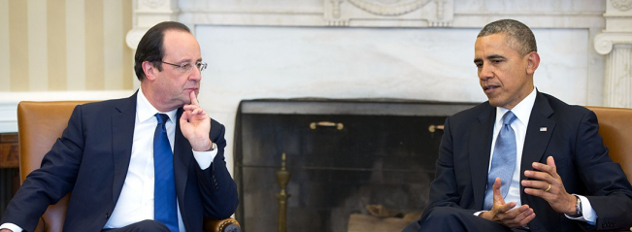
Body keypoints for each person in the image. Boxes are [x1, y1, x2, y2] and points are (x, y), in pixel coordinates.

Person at [0, 21, 238, 232]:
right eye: (184, 65)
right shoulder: (94, 121)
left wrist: (202, 148)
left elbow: (223, 208)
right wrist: (11, 228)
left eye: (198, 64)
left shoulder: (207, 132)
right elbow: (47, 180)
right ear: (150, 69)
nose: (197, 75)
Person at [403, 19, 632, 232]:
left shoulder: (573, 122)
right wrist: (487, 216)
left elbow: (623, 202)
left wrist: (570, 202)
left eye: (496, 61)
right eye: (479, 64)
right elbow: (437, 206)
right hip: (477, 226)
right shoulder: (460, 126)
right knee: (425, 224)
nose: (484, 74)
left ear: (530, 63)